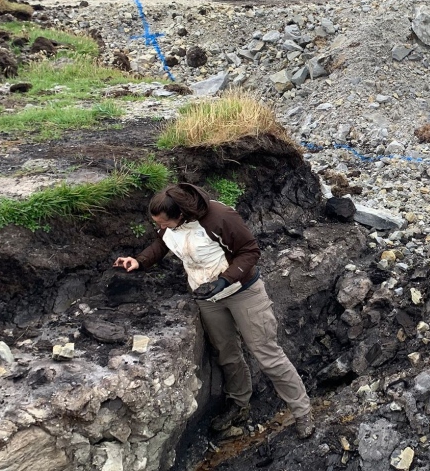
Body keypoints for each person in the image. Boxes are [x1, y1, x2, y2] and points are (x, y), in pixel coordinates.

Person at [114, 183, 315, 439]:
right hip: (206, 296)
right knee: (227, 353)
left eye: (165, 222)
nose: (161, 227)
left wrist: (224, 280)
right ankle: (239, 403)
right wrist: (140, 260)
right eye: (158, 223)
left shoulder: (220, 217)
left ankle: (302, 411)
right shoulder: (170, 226)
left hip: (243, 292)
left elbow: (250, 251)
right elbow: (163, 242)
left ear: (182, 215)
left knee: (267, 355)